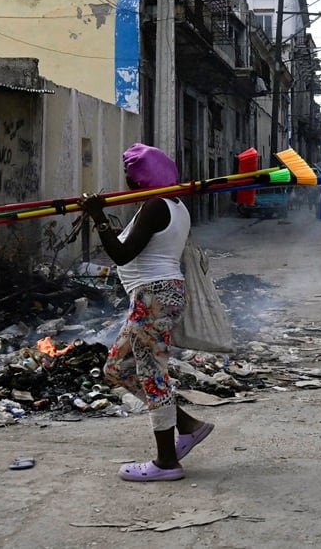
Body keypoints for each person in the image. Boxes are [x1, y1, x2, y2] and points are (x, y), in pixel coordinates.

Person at [78, 144, 214, 482]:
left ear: (141, 180)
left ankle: (167, 462)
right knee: (116, 368)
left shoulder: (156, 206)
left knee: (152, 375)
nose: (126, 188)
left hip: (154, 296)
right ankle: (188, 426)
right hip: (155, 295)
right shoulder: (175, 204)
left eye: (130, 180)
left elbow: (121, 255)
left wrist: (98, 217)